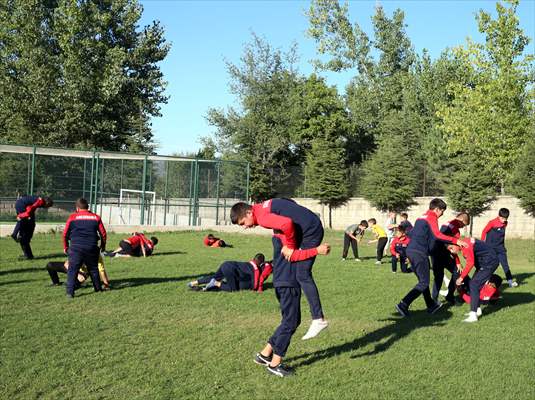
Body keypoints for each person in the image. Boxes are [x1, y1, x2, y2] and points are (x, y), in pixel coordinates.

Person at [230, 198, 331, 341]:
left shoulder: (263, 217)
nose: (245, 227)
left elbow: (286, 223)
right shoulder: (262, 207)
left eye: (243, 223)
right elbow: (288, 202)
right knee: (299, 271)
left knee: (302, 274)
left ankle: (318, 319)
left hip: (310, 230)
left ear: (248, 212)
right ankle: (317, 318)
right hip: (309, 225)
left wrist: (290, 245)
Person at [252, 235, 330, 377]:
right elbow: (295, 255)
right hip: (288, 283)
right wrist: (317, 250)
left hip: (282, 282)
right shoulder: (286, 236)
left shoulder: (279, 235)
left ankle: (265, 354)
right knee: (290, 322)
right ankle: (275, 364)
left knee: (290, 320)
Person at [395, 198, 467, 317]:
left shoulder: (420, 217)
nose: (442, 214)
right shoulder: (431, 217)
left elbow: (412, 233)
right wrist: (456, 241)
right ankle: (403, 304)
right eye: (442, 211)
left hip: (411, 251)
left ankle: (431, 305)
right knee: (423, 283)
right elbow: (438, 235)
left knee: (423, 281)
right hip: (419, 253)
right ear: (437, 209)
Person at [448, 237, 500, 322]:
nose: (451, 251)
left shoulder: (466, 246)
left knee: (474, 284)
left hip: (490, 262)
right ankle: (477, 310)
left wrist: (461, 278)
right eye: (449, 250)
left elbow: (470, 263)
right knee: (474, 285)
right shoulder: (464, 243)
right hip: (485, 263)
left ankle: (473, 315)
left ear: (457, 243)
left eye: (451, 248)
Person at [63, 198, 107, 299]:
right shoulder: (96, 217)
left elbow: (65, 234)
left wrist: (65, 247)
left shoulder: (72, 217)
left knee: (72, 270)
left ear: (77, 208)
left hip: (75, 248)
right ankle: (98, 289)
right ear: (88, 207)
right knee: (93, 269)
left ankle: (70, 293)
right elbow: (103, 234)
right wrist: (103, 246)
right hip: (91, 247)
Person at [430, 212, 470, 304]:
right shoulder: (454, 228)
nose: (463, 227)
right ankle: (434, 300)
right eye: (464, 224)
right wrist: (458, 261)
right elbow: (453, 248)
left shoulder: (448, 224)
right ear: (462, 220)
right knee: (439, 277)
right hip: (438, 254)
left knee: (456, 272)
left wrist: (457, 262)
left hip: (442, 254)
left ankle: (449, 296)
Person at [187, 253, 272, 292]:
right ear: (260, 262)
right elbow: (256, 280)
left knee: (215, 276)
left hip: (226, 264)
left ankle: (193, 282)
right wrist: (257, 289)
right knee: (233, 289)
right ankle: (216, 283)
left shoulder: (249, 263)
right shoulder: (255, 268)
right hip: (230, 270)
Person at [481, 208, 517, 288]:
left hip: (500, 248)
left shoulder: (505, 223)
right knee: (490, 265)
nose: (504, 220)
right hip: (490, 248)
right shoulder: (492, 223)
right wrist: (483, 243)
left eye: (506, 219)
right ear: (498, 216)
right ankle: (485, 281)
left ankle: (510, 282)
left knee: (505, 265)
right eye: (502, 218)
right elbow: (484, 231)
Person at [11, 195, 53, 259]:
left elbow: (31, 208)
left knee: (28, 223)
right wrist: (21, 215)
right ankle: (15, 234)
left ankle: (27, 254)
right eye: (48, 206)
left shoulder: (40, 200)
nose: (47, 208)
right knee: (23, 221)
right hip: (21, 205)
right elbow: (30, 209)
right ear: (47, 202)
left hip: (21, 204)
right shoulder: (40, 202)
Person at [46, 255, 111, 290]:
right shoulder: (79, 251)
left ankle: (76, 284)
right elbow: (66, 264)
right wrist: (75, 273)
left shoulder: (97, 257)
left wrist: (106, 285)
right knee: (50, 265)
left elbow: (102, 271)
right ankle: (56, 283)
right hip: (72, 268)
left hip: (83, 273)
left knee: (71, 286)